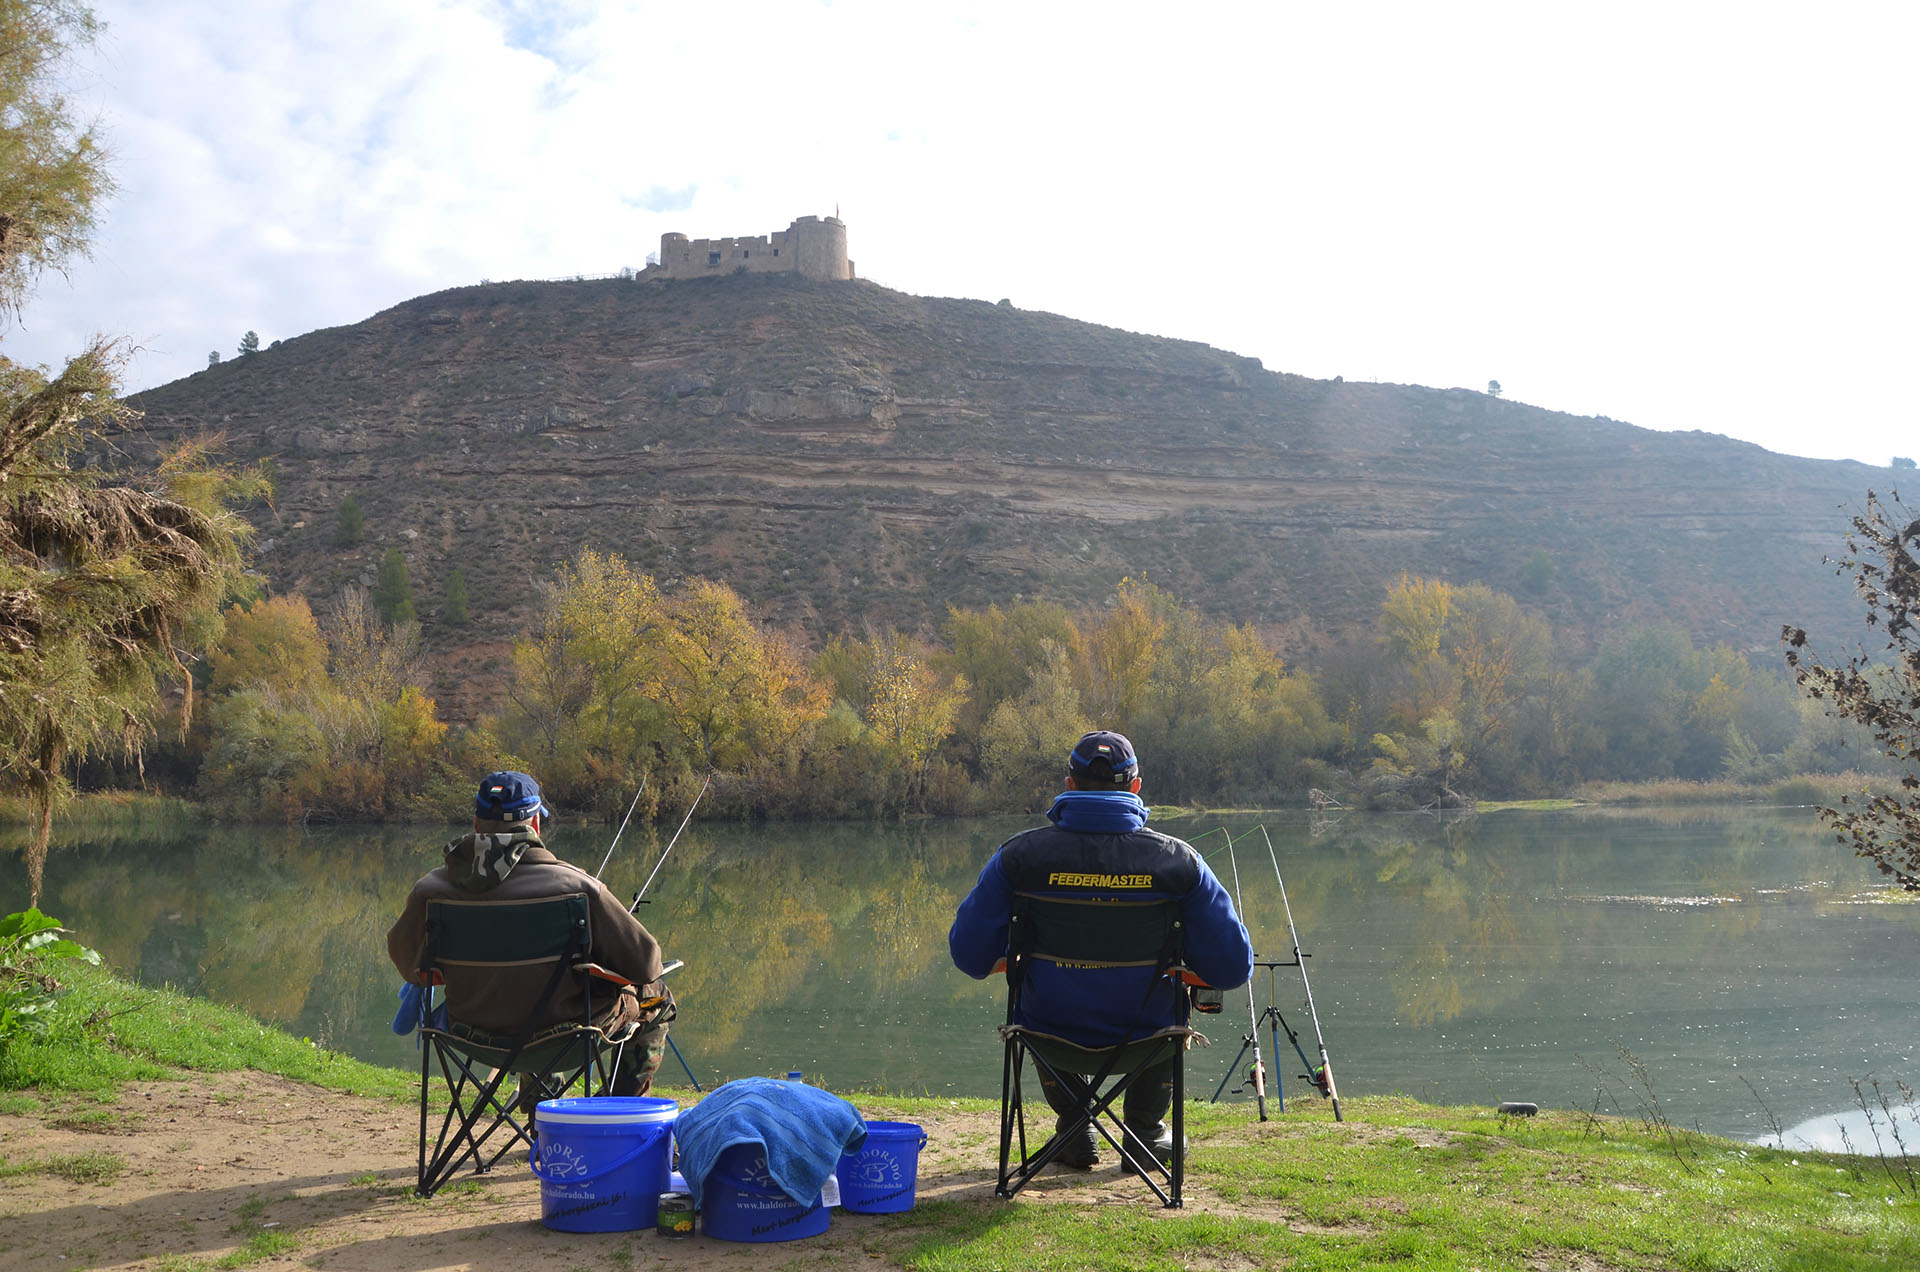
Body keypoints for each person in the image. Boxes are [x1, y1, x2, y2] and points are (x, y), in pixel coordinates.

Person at [949, 730, 1254, 1170]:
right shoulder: (1180, 862)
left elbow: (969, 956)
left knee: (1035, 992)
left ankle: (1075, 1126)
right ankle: (1145, 1133)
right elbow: (1232, 969)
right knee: (1165, 994)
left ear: (1069, 785)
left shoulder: (1018, 857)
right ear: (1135, 787)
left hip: (1049, 1035)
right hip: (1148, 1038)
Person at [387, 770, 672, 1102]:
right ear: (535, 824)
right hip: (566, 1036)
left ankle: (542, 1109)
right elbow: (646, 964)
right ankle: (613, 1113)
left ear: (477, 824)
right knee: (658, 998)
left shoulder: (430, 892)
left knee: (528, 996)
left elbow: (410, 968)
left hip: (470, 1034)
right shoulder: (579, 889)